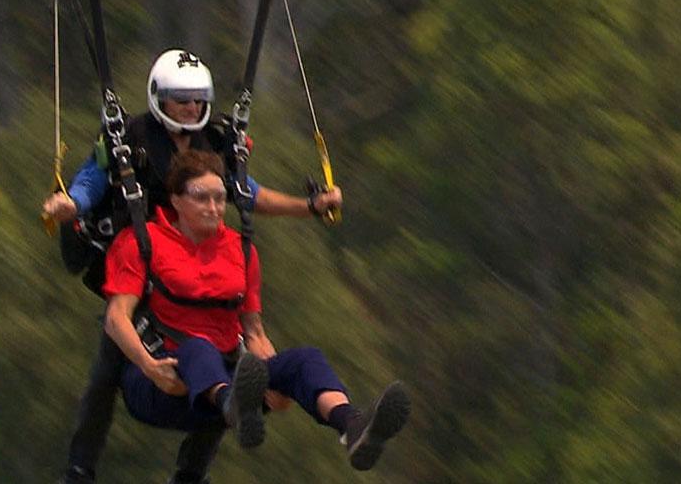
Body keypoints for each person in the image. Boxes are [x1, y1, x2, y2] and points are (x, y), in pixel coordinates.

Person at [44, 49, 342, 484]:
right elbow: (91, 180)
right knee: (108, 368)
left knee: (220, 369)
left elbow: (246, 192)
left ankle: (191, 474)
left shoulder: (214, 144)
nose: (191, 107)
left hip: (196, 272)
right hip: (143, 269)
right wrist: (72, 204)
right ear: (159, 98)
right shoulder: (130, 137)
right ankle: (79, 469)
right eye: (181, 99)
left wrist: (309, 207)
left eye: (198, 99)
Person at [102, 149, 409, 473]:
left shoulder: (240, 250)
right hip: (160, 381)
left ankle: (352, 425)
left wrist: (270, 381)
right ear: (176, 200)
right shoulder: (143, 242)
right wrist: (150, 366)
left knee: (305, 360)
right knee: (199, 348)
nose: (213, 207)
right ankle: (232, 403)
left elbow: (253, 331)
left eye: (220, 198)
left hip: (227, 380)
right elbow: (115, 317)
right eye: (201, 197)